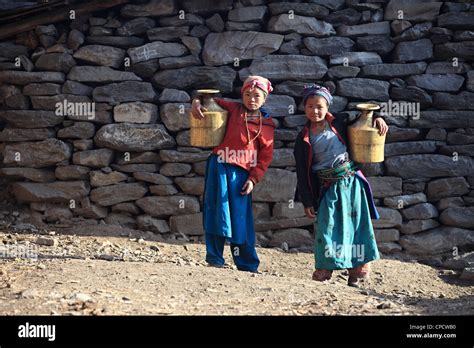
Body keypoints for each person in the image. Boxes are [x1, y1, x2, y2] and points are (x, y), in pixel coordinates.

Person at [293, 84, 389, 287]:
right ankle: (325, 269)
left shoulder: (341, 121)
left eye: (319, 106)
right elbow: (302, 172)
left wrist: (378, 118)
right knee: (326, 228)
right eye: (310, 106)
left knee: (357, 226)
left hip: (351, 183)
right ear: (304, 107)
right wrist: (307, 200)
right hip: (327, 187)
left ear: (328, 107)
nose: (315, 111)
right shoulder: (302, 139)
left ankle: (357, 273)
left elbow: (365, 119)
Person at [190, 76, 275, 273]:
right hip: (218, 167)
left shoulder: (266, 125)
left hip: (241, 175)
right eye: (247, 94)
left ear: (265, 99)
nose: (251, 99)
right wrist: (195, 102)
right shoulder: (233, 109)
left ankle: (246, 263)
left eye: (256, 96)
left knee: (239, 217)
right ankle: (215, 258)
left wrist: (254, 179)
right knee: (214, 211)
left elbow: (265, 156)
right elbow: (206, 100)